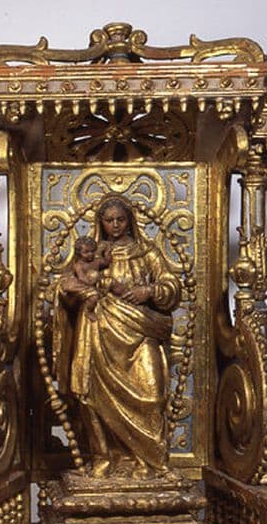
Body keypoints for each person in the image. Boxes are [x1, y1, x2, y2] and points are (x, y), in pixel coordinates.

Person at [52, 193, 180, 478]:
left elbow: (172, 287)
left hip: (140, 329)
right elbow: (68, 287)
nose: (116, 225)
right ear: (101, 222)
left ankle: (149, 461)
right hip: (98, 331)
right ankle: (104, 457)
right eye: (109, 220)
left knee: (151, 395)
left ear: (130, 220)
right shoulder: (90, 254)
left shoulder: (146, 252)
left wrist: (148, 291)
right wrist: (74, 291)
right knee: (94, 396)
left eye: (121, 219)